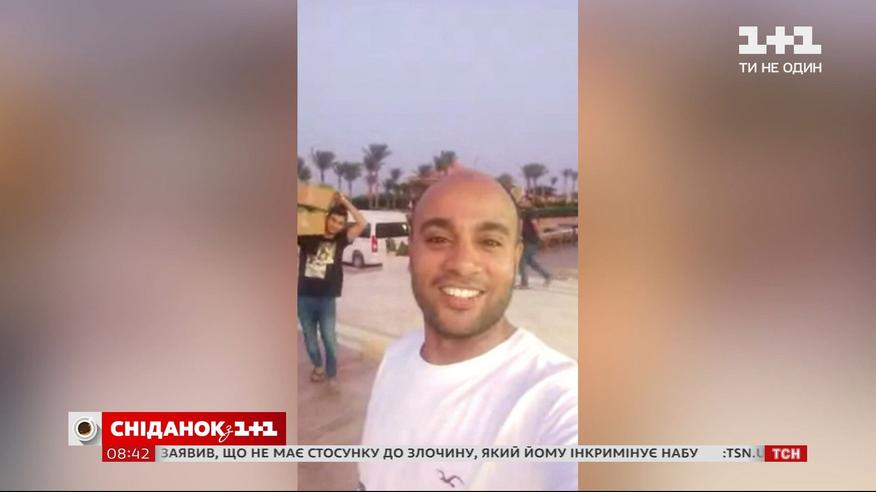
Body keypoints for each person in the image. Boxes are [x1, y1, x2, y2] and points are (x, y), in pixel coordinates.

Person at [358, 171, 577, 490]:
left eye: (489, 242)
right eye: (438, 239)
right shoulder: (396, 356)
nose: (462, 264)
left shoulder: (556, 397)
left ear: (515, 258)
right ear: (411, 251)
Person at [297, 192, 367, 388]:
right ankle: (318, 367)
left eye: (340, 223)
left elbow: (362, 223)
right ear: (327, 218)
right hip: (304, 296)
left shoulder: (341, 239)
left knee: (329, 338)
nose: (335, 225)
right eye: (333, 220)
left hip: (327, 298)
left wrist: (344, 201)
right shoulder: (308, 236)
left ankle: (331, 372)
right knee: (310, 339)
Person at [517, 195, 552, 289]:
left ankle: (524, 284)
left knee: (522, 261)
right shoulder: (525, 211)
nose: (522, 202)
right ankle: (547, 275)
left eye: (524, 200)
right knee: (530, 261)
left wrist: (540, 235)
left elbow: (534, 224)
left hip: (531, 240)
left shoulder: (531, 211)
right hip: (526, 239)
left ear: (529, 202)